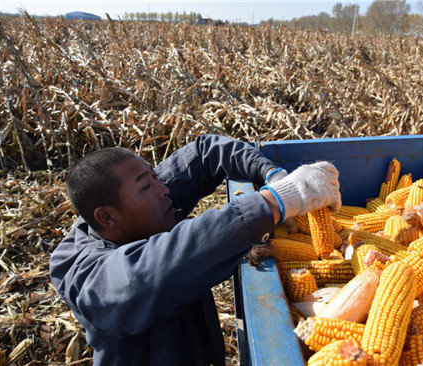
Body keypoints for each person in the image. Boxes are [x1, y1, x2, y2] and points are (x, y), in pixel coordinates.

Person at [50, 134, 341, 366]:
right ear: (107, 217)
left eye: (154, 176)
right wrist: (275, 202)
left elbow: (203, 154)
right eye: (146, 186)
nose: (163, 189)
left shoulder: (138, 207)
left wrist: (273, 175)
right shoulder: (84, 276)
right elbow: (150, 270)